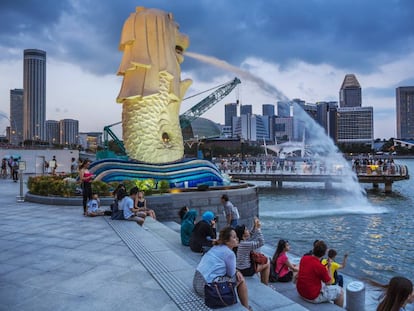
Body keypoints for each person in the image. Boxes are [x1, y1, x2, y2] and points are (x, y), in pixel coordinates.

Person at [193, 226, 252, 310]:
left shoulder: (216, 247)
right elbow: (231, 274)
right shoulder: (229, 253)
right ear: (227, 241)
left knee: (234, 274)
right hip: (206, 288)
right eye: (234, 237)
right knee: (241, 279)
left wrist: (236, 270)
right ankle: (246, 307)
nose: (237, 239)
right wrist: (237, 271)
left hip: (196, 281)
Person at [296, 240, 344, 307]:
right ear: (324, 254)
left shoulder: (304, 258)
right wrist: (329, 267)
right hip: (312, 296)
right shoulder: (320, 267)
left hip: (301, 291)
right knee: (340, 292)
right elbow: (329, 282)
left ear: (313, 249)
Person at [235, 217, 270, 285]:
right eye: (246, 230)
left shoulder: (238, 242)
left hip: (239, 268)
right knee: (267, 262)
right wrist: (258, 229)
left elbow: (250, 235)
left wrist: (254, 227)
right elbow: (261, 242)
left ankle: (263, 281)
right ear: (243, 235)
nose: (248, 230)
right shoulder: (245, 244)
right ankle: (265, 284)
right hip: (246, 270)